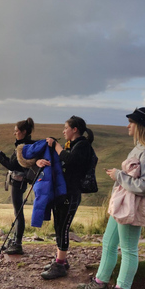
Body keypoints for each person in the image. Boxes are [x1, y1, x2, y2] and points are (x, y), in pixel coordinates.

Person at [77, 107, 145, 289]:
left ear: (141, 126)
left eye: (132, 122)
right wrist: (119, 175)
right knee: (108, 242)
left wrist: (118, 175)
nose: (128, 125)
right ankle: (101, 281)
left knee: (128, 249)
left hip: (133, 207)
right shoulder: (140, 148)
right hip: (122, 204)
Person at [37, 116, 94, 280]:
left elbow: (70, 160)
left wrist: (56, 146)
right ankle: (60, 260)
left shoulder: (82, 145)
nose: (63, 131)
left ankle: (60, 265)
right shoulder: (75, 145)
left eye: (66, 127)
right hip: (63, 193)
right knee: (58, 226)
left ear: (74, 129)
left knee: (63, 228)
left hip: (71, 194)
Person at [0, 118, 36, 255]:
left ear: (24, 132)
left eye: (16, 131)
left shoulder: (23, 147)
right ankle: (16, 240)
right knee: (18, 211)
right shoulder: (25, 145)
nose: (14, 133)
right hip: (19, 181)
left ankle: (18, 243)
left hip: (18, 181)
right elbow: (13, 162)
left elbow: (11, 165)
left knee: (18, 212)